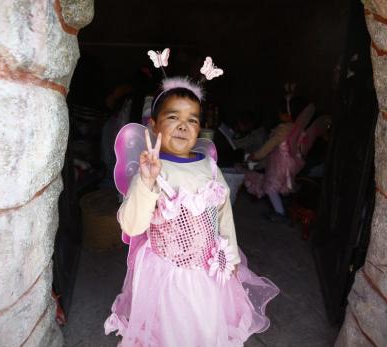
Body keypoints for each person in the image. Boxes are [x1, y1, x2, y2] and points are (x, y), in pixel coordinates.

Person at [104, 77, 279, 346]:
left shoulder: (208, 166)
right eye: (173, 117)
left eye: (193, 120)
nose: (184, 126)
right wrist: (147, 181)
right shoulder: (152, 169)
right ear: (154, 125)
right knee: (171, 332)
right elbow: (132, 225)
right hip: (167, 276)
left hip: (209, 272)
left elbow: (223, 215)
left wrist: (230, 256)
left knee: (206, 326)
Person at [244, 97, 314, 223]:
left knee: (271, 186)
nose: (279, 115)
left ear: (286, 115)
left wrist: (255, 156)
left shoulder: (283, 129)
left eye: (280, 113)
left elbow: (269, 146)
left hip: (280, 162)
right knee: (282, 183)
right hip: (292, 162)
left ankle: (280, 212)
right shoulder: (299, 129)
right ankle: (283, 206)